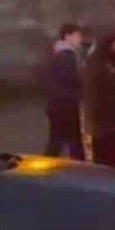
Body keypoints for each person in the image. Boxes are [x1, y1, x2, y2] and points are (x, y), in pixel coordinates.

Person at [84, 32, 115, 168]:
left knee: (109, 153)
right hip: (105, 118)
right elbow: (96, 92)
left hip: (109, 119)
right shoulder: (100, 65)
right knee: (106, 153)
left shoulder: (104, 63)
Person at [44, 23, 85, 160]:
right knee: (72, 142)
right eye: (77, 36)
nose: (80, 39)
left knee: (57, 141)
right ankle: (79, 167)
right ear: (67, 36)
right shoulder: (66, 56)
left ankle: (45, 166)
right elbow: (71, 79)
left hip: (57, 105)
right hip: (66, 105)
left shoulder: (57, 53)